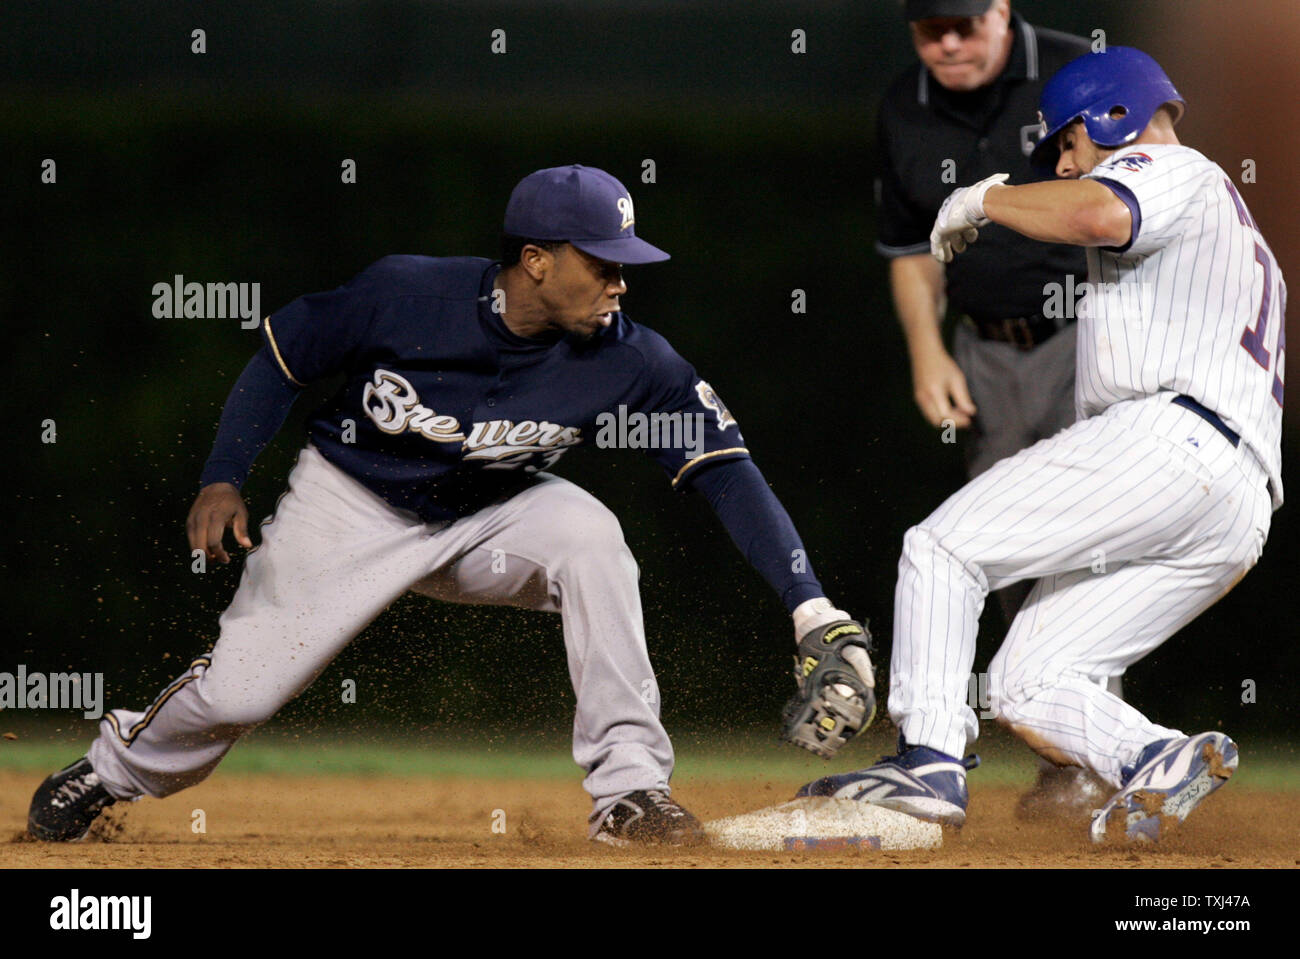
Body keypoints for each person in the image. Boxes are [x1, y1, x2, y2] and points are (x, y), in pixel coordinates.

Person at [27, 164, 873, 847]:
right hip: (349, 503)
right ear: (536, 258)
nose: (620, 282)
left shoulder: (634, 359)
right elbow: (283, 356)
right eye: (602, 261)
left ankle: (629, 792)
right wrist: (223, 473)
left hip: (495, 514)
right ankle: (112, 766)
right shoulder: (406, 294)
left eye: (624, 264)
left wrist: (811, 609)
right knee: (242, 695)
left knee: (594, 542)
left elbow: (726, 469)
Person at [802, 47, 1282, 842]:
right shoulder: (1237, 230)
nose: (1061, 162)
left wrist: (989, 196)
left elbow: (1100, 212)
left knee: (942, 548)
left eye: (1066, 141)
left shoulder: (1177, 169)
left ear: (1115, 116)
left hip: (1170, 439)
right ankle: (1155, 754)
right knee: (1026, 681)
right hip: (1235, 510)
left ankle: (926, 759)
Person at [878, 0, 1113, 817]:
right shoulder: (903, 105)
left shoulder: (1078, 69)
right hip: (985, 350)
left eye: (964, 23)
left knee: (1090, 546)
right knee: (1006, 550)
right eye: (927, 26)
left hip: (1092, 333)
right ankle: (1065, 754)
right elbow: (909, 247)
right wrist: (928, 348)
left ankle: (1095, 751)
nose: (946, 41)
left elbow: (1149, 190)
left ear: (1002, 11)